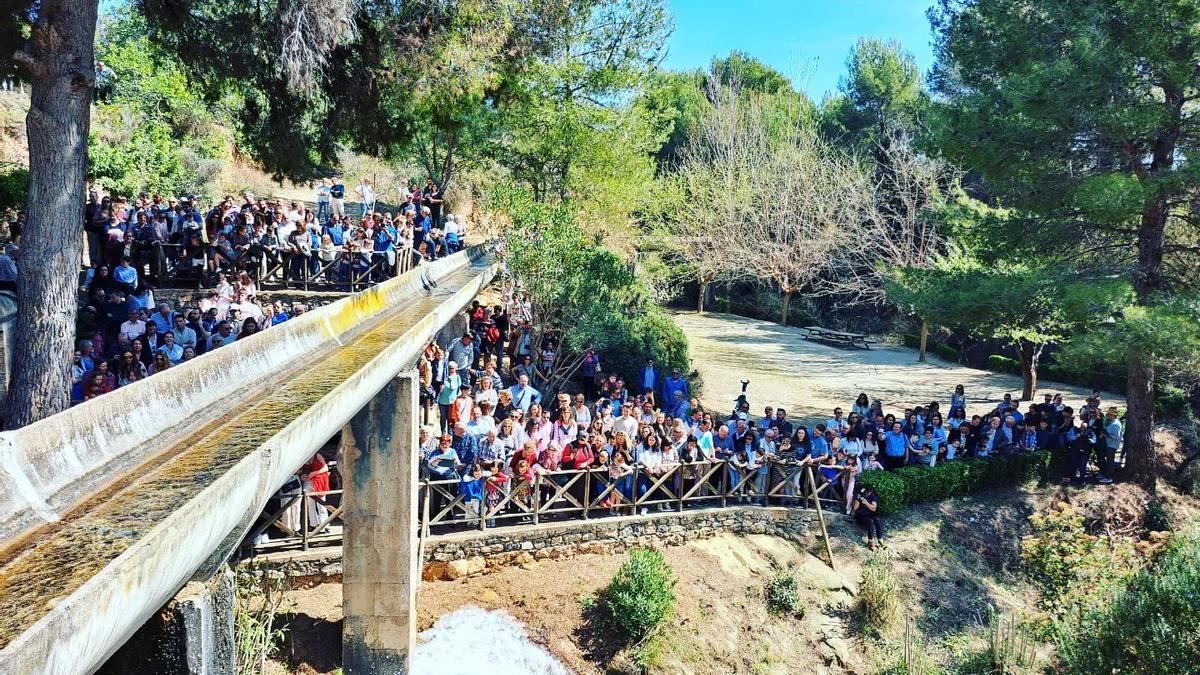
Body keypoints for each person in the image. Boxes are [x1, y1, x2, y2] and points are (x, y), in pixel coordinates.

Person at [853, 484, 885, 550]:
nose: (866, 494)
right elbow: (855, 508)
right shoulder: (860, 495)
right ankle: (870, 542)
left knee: (876, 520)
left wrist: (866, 503)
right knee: (870, 522)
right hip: (860, 515)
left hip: (869, 514)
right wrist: (858, 500)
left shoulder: (873, 497)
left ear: (870, 492)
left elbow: (874, 508)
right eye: (865, 492)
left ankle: (880, 539)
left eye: (867, 492)